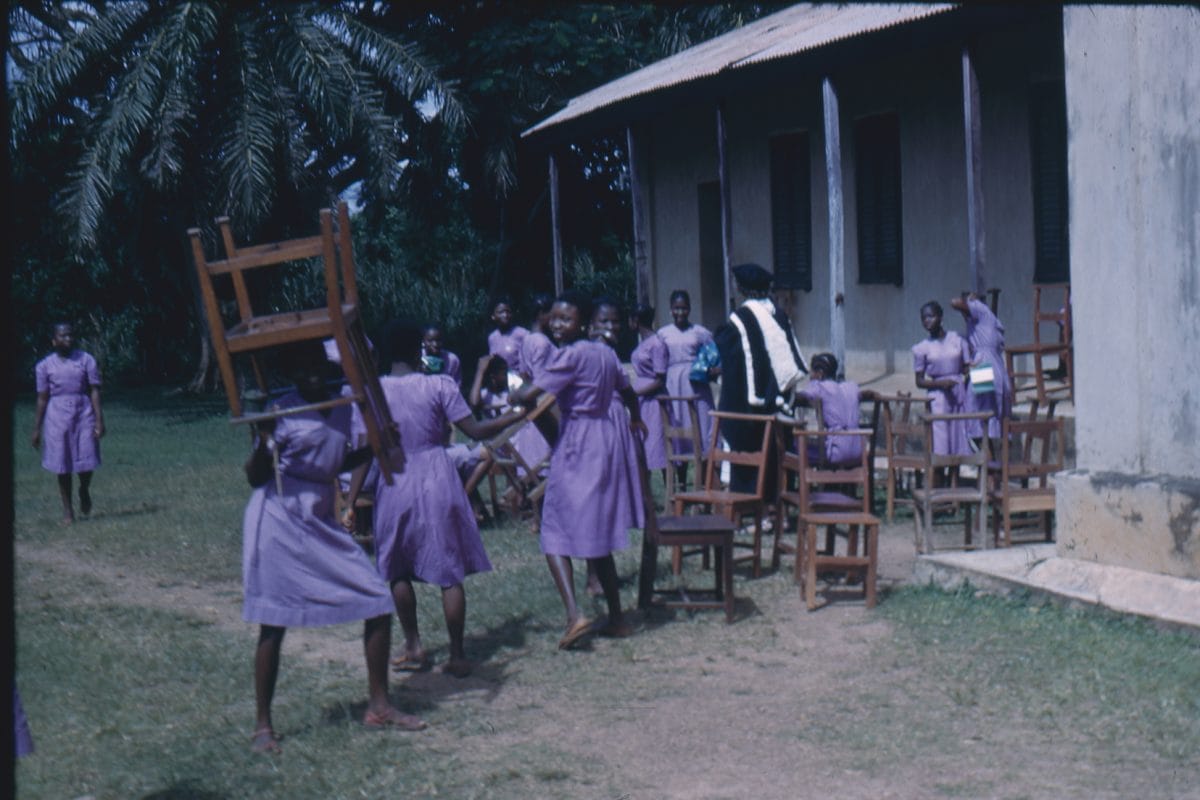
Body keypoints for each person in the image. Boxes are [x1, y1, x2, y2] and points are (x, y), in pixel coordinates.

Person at [242, 342, 424, 754]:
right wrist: (263, 439)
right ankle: (263, 727)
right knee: (274, 621)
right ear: (291, 374)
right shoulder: (280, 411)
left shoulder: (343, 405)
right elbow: (255, 476)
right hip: (279, 517)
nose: (313, 376)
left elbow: (332, 460)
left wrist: (376, 446)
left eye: (318, 369)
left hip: (320, 516)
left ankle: (379, 706)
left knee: (377, 599)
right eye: (303, 369)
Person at [348, 322, 521, 678]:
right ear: (419, 351)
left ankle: (413, 644)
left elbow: (365, 452)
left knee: (396, 567)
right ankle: (457, 653)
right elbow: (473, 429)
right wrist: (512, 417)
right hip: (437, 476)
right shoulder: (439, 384)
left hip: (394, 479)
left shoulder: (372, 392)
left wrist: (350, 502)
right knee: (448, 570)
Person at [511, 292, 644, 650]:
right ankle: (616, 618)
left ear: (582, 323)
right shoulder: (606, 353)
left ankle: (574, 615)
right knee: (596, 530)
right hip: (606, 438)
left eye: (565, 319)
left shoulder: (570, 356)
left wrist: (513, 393)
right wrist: (634, 419)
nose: (557, 325)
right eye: (553, 318)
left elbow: (530, 394)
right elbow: (629, 393)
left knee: (554, 528)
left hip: (578, 441)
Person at [713, 264, 808, 494]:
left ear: (742, 287)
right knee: (777, 452)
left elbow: (734, 361)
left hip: (749, 407)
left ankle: (752, 507)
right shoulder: (779, 315)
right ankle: (777, 508)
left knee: (749, 450)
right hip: (778, 401)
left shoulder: (741, 318)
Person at [31, 322, 105, 524]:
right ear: (54, 340)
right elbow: (42, 397)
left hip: (83, 412)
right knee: (62, 464)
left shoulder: (86, 360)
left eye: (70, 335)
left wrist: (99, 420)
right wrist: (36, 429)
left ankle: (84, 488)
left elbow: (94, 391)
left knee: (86, 457)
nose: (68, 339)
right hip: (57, 416)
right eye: (63, 336)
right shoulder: (45, 366)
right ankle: (68, 510)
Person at [657, 290, 716, 485]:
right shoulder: (663, 334)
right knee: (678, 425)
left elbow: (714, 354)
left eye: (683, 308)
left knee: (702, 426)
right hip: (674, 384)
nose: (680, 312)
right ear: (670, 310)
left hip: (696, 385)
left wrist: (710, 371)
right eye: (676, 308)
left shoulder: (700, 332)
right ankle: (680, 482)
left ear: (689, 309)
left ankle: (705, 481)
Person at [950, 292, 1013, 447]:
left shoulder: (980, 310)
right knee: (991, 415)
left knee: (980, 416)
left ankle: (990, 464)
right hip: (996, 366)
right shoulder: (985, 324)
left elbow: (954, 301)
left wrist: (969, 300)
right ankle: (992, 462)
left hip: (984, 366)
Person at [912, 300, 973, 456]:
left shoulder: (957, 339)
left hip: (958, 394)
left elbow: (968, 367)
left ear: (940, 317)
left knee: (958, 440)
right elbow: (919, 381)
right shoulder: (922, 348)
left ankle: (954, 478)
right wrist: (940, 384)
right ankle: (939, 477)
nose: (927, 321)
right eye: (923, 318)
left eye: (931, 316)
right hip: (938, 398)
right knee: (941, 444)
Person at [794, 353, 877, 466]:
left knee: (793, 447)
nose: (810, 377)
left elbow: (799, 397)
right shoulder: (852, 387)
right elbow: (862, 395)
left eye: (811, 373)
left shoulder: (819, 387)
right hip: (859, 453)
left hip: (836, 453)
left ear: (819, 374)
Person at [627, 303, 669, 478]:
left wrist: (636, 393)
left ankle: (670, 491)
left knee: (657, 444)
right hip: (641, 402)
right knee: (641, 445)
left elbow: (660, 379)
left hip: (654, 401)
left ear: (636, 321)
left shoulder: (656, 344)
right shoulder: (643, 343)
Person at [487, 295, 529, 379]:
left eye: (508, 311)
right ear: (493, 316)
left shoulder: (522, 334)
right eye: (501, 312)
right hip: (501, 383)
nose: (505, 315)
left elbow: (527, 364)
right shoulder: (492, 338)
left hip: (520, 382)